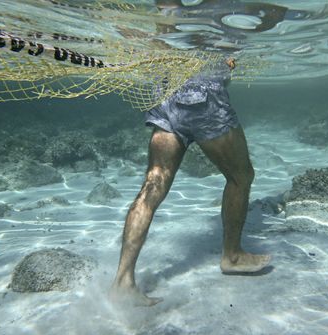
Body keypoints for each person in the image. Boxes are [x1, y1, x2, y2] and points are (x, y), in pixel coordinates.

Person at [110, 58, 271, 306]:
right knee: (241, 176)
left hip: (166, 94)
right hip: (202, 98)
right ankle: (233, 256)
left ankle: (123, 281)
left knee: (154, 183)